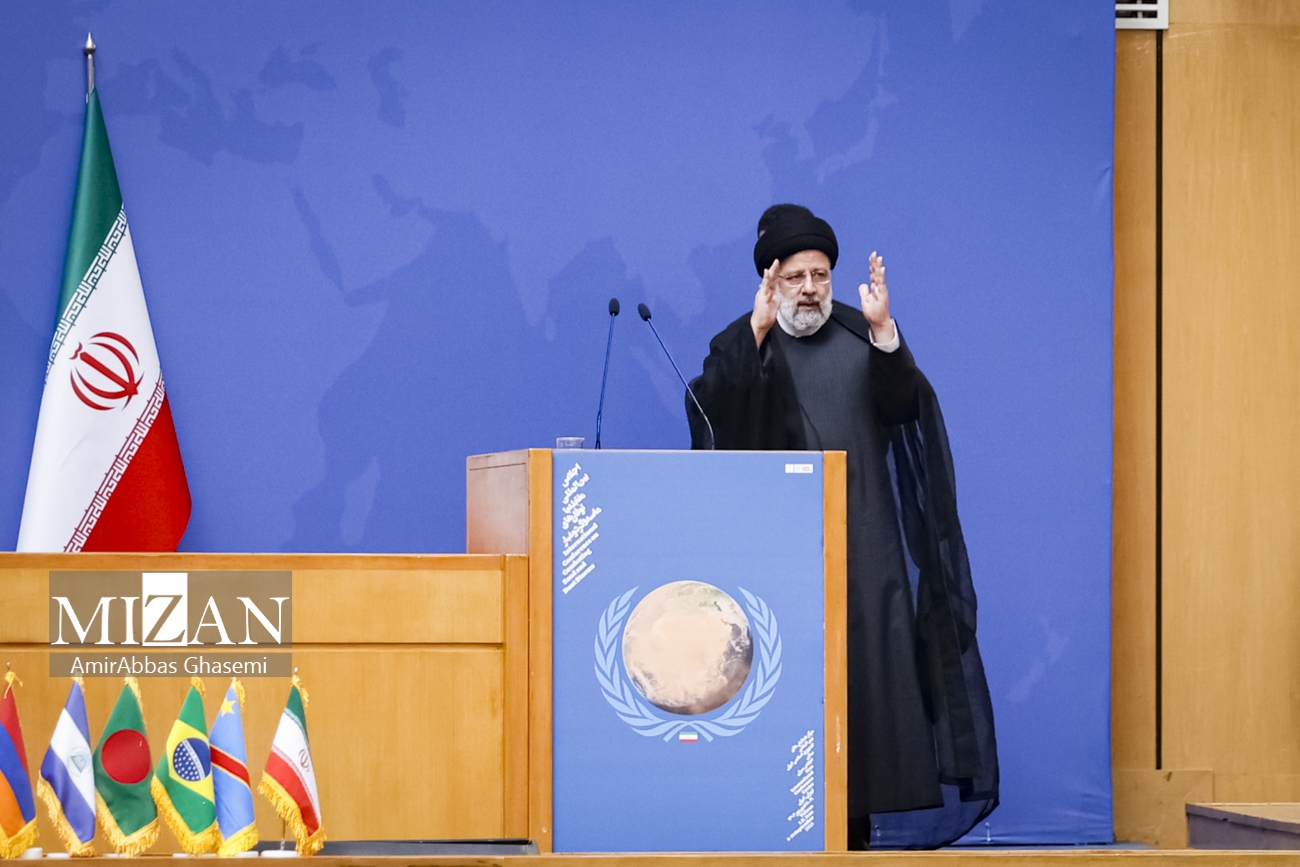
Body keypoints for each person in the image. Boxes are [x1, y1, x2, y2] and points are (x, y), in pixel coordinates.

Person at [688, 205, 998, 849]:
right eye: (795, 276)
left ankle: (853, 841)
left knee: (865, 694)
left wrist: (887, 334)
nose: (809, 289)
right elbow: (710, 417)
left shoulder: (864, 334)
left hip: (866, 550)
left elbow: (905, 407)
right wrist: (755, 332)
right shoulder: (744, 340)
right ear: (770, 280)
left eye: (820, 275)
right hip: (779, 560)